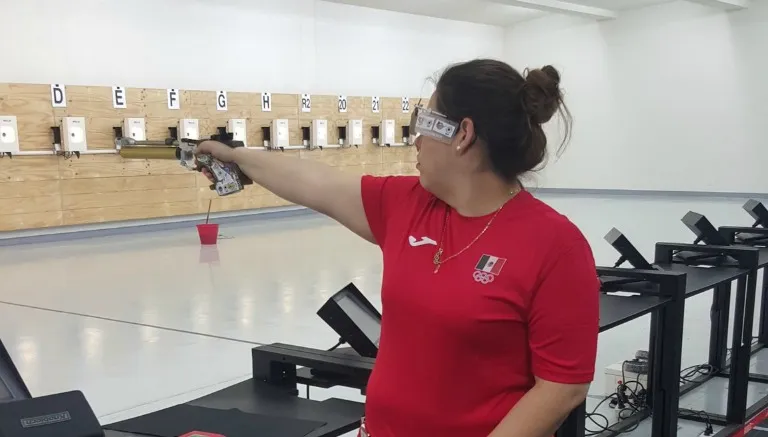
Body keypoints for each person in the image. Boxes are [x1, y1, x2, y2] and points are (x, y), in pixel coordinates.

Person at [196, 59, 599, 437]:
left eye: (425, 122)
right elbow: (315, 183)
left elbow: (561, 388)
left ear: (463, 134)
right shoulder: (408, 204)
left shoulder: (555, 245)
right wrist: (235, 156)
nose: (416, 139)